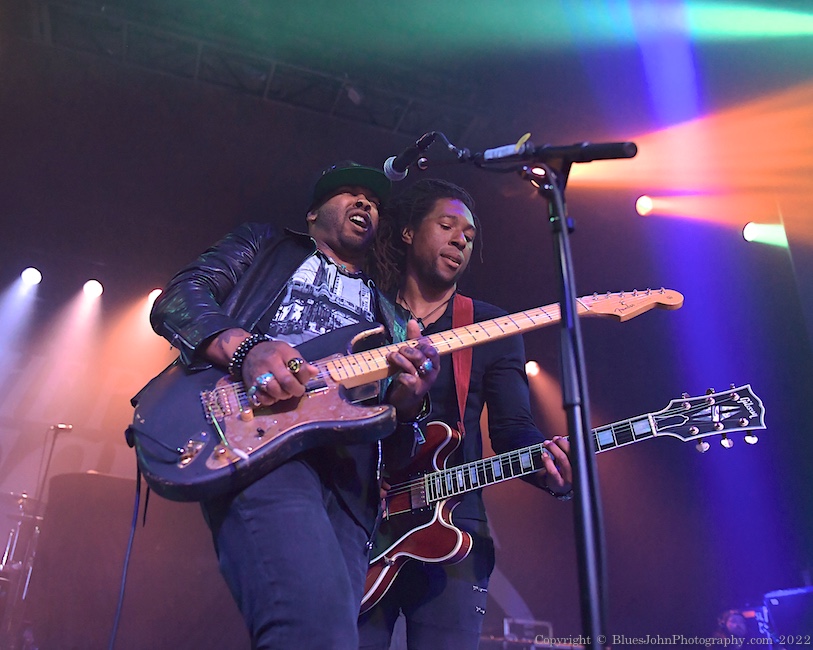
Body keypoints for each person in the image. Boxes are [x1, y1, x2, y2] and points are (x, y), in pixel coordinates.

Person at [148, 161, 440, 649]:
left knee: (336, 639)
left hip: (350, 485)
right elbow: (178, 299)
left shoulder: (390, 316)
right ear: (312, 214)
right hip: (262, 440)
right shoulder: (265, 245)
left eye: (374, 202)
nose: (365, 203)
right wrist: (245, 350)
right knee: (309, 627)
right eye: (349, 193)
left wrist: (409, 400)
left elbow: (399, 443)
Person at [358, 178, 573, 649]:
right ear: (409, 232)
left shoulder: (492, 326)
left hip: (455, 530)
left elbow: (513, 430)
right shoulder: (363, 313)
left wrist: (553, 471)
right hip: (362, 523)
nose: (461, 240)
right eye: (447, 226)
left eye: (470, 236)